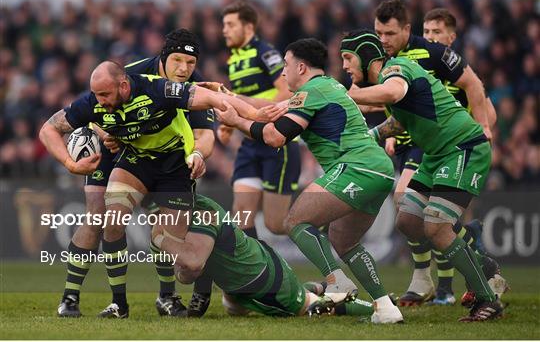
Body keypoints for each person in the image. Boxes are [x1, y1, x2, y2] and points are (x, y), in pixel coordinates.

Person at [40, 61, 277, 318]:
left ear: (123, 85)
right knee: (112, 219)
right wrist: (70, 164)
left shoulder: (159, 90)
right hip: (136, 162)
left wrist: (255, 116)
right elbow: (49, 129)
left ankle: (172, 293)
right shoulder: (94, 102)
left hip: (174, 168)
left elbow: (214, 99)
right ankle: (119, 303)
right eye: (96, 95)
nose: (100, 101)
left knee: (177, 252)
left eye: (105, 94)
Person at [216, 38, 403, 324]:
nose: (283, 73)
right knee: (345, 240)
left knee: (295, 221)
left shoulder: (310, 93)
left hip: (357, 167)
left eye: (286, 66)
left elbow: (274, 137)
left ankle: (337, 282)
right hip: (379, 169)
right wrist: (232, 100)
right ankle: (385, 307)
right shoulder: (325, 87)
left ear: (301, 67)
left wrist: (236, 122)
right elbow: (269, 108)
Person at [341, 29, 503, 321]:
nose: (344, 66)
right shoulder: (387, 78)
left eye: (348, 57)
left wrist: (349, 94)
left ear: (366, 56)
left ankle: (487, 300)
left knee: (436, 228)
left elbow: (394, 92)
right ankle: (481, 263)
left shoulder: (396, 69)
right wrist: (373, 134)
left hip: (463, 148)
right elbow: (399, 120)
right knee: (407, 219)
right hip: (437, 154)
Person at [55, 29, 216, 318]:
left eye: (190, 63)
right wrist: (109, 133)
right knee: (97, 215)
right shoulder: (130, 75)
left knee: (162, 225)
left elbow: (205, 133)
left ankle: (166, 296)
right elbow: (95, 107)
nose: (184, 69)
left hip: (163, 156)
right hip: (111, 147)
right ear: (162, 58)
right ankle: (71, 297)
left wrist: (198, 153)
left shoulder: (192, 83)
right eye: (177, 60)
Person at [152, 194, 375, 319]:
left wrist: (160, 240)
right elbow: (201, 269)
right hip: (238, 285)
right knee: (233, 310)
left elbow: (192, 267)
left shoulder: (200, 214)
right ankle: (317, 287)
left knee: (313, 309)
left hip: (262, 278)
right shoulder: (187, 210)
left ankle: (378, 307)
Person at [422, 8, 507, 306]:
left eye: (436, 32)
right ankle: (468, 270)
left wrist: (473, 135)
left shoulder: (458, 73)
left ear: (451, 37)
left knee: (441, 221)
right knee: (438, 221)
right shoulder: (425, 69)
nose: (430, 37)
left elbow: (489, 113)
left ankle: (452, 285)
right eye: (427, 32)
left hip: (460, 155)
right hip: (434, 153)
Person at [219, 0, 301, 238]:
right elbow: (242, 102)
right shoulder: (234, 60)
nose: (224, 30)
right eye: (224, 25)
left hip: (276, 142)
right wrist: (229, 124)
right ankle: (260, 272)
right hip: (249, 143)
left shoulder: (265, 52)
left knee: (275, 225)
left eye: (230, 24)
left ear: (248, 27)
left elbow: (286, 92)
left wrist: (255, 111)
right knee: (241, 213)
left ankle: (320, 231)